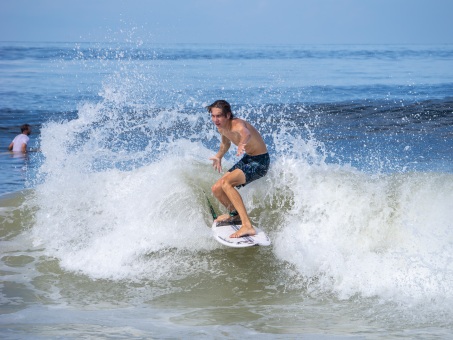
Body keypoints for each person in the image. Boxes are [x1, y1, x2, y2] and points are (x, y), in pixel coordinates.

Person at [208, 100, 270, 238]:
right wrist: (219, 156)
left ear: (228, 115)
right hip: (248, 158)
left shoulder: (238, 124)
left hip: (260, 161)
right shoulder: (221, 127)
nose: (215, 120)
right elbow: (225, 144)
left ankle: (247, 225)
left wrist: (242, 143)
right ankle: (235, 215)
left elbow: (246, 134)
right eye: (213, 116)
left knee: (226, 183)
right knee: (217, 188)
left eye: (218, 116)